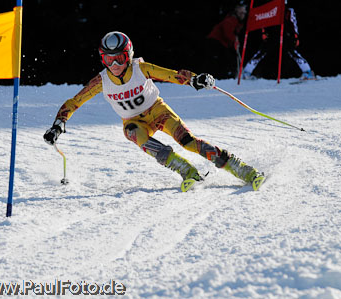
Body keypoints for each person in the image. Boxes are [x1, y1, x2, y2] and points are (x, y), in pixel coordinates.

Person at [44, 31, 265, 192]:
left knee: (187, 141)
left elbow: (173, 75)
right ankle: (187, 171)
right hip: (134, 122)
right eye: (108, 60)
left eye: (119, 58)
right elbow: (74, 102)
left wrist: (195, 80)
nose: (114, 65)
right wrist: (58, 125)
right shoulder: (101, 81)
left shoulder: (141, 68)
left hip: (158, 111)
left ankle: (242, 169)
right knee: (136, 135)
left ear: (128, 55)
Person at [243, 3, 315, 79]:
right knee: (262, 52)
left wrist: (295, 36)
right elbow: (264, 19)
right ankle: (247, 72)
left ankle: (307, 71)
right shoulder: (272, 7)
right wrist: (264, 32)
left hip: (285, 34)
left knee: (292, 52)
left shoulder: (289, 11)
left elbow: (293, 23)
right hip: (272, 34)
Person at [205, 3, 247, 78]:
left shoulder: (237, 22)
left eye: (244, 13)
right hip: (216, 42)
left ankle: (224, 75)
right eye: (241, 13)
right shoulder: (231, 19)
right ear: (236, 11)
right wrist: (235, 40)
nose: (242, 15)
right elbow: (227, 33)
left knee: (225, 59)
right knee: (220, 60)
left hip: (222, 43)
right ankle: (220, 76)